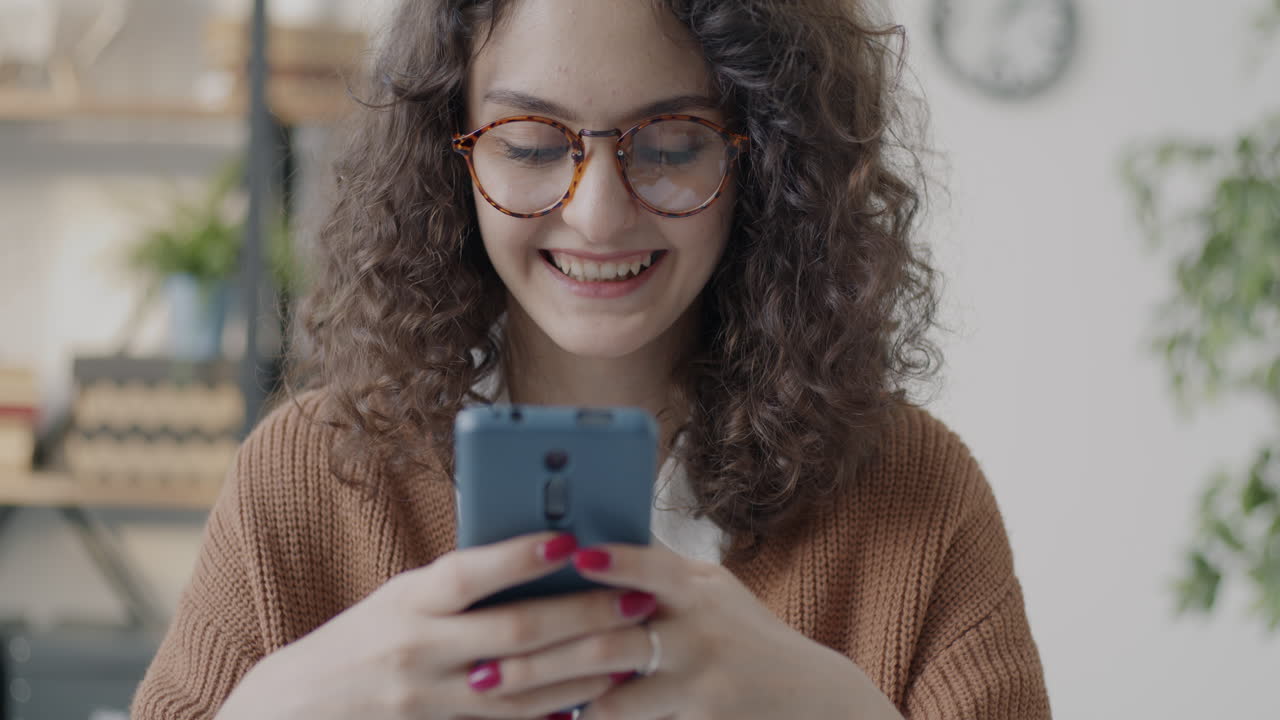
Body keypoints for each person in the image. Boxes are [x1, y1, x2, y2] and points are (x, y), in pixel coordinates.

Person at [131, 0, 1051, 718]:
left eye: (673, 145)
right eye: (531, 145)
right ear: (452, 155)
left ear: (766, 159)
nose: (599, 215)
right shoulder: (302, 478)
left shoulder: (918, 498)